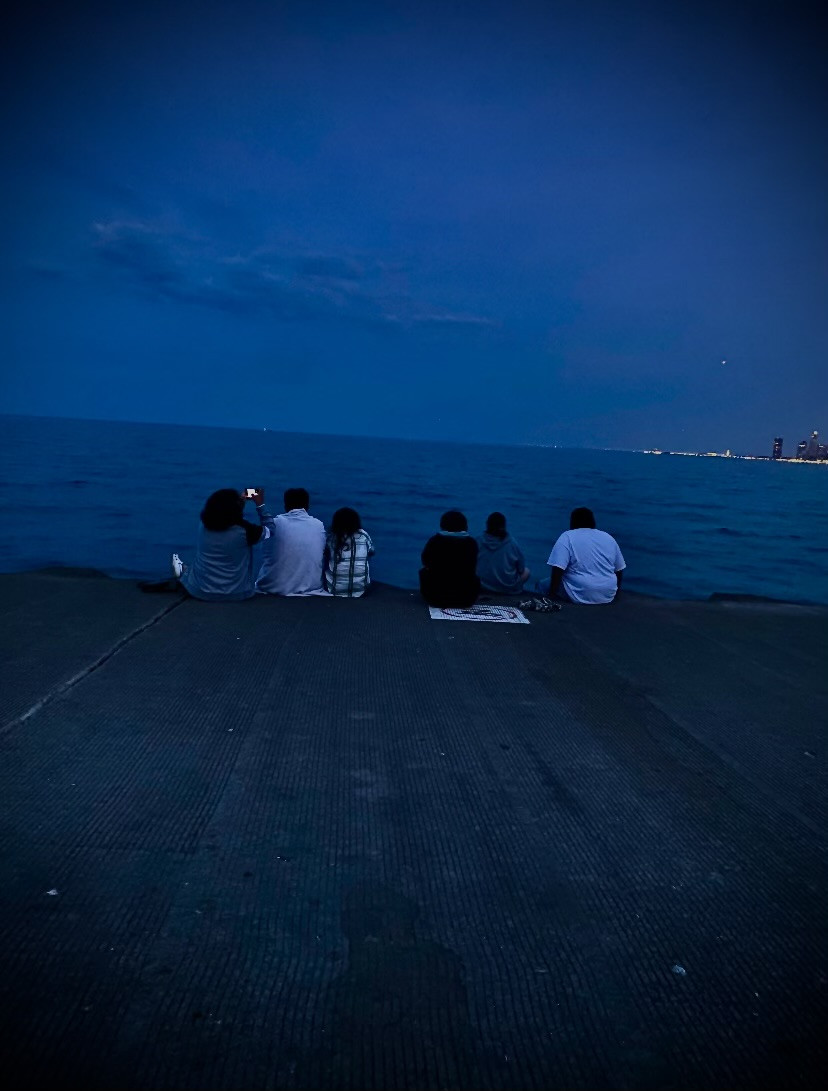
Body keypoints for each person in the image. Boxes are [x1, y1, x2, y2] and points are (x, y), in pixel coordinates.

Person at [172, 487, 274, 601]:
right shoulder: (246, 531)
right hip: (238, 593)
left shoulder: (204, 524)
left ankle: (182, 570)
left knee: (190, 570)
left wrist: (239, 501)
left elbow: (224, 513)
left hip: (199, 591)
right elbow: (271, 530)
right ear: (236, 509)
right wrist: (260, 505)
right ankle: (183, 569)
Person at [543, 507, 625, 604]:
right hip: (608, 594)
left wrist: (552, 594)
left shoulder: (567, 536)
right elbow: (619, 569)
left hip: (581, 593)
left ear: (573, 522)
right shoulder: (608, 537)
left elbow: (557, 568)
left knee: (542, 584)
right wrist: (616, 592)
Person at [256, 487, 326, 595]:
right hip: (311, 588)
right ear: (307, 506)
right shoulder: (318, 525)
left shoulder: (274, 524)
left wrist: (260, 505)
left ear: (285, 506)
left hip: (273, 588)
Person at [419, 510, 480, 608]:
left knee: (423, 572)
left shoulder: (435, 541)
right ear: (465, 526)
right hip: (466, 599)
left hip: (435, 598)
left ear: (442, 525)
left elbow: (425, 561)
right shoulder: (471, 543)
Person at [323, 507, 375, 597]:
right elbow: (372, 552)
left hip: (334, 589)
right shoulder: (364, 535)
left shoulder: (331, 538)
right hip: (361, 590)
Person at [476, 512, 531, 594]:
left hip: (482, 585)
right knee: (527, 572)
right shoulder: (511, 543)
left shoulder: (478, 541)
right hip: (506, 588)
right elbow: (521, 569)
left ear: (487, 525)